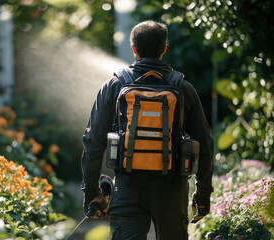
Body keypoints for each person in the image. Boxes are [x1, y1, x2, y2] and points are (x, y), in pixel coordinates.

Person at [81, 20, 214, 240]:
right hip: (172, 190)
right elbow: (205, 143)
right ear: (164, 48)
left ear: (134, 49)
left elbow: (93, 142)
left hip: (127, 189)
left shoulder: (114, 86)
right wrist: (202, 195)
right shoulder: (182, 88)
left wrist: (91, 194)